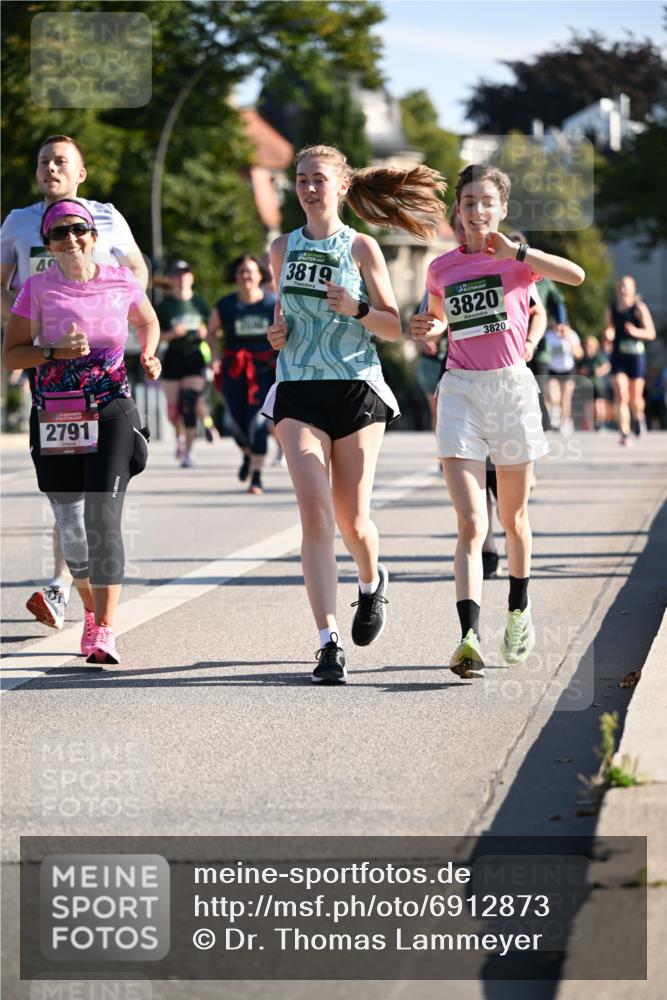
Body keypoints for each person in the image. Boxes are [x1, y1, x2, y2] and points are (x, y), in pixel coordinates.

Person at [264, 144, 446, 684]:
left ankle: (371, 583)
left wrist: (357, 308)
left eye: (318, 178)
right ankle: (327, 643)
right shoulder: (281, 248)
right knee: (315, 515)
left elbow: (394, 327)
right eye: (300, 179)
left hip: (355, 388)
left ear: (342, 186)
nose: (308, 187)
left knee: (353, 520)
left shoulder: (362, 247)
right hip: (297, 389)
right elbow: (283, 315)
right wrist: (278, 333)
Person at [410, 163, 584, 678]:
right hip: (461, 389)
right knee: (471, 522)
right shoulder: (441, 268)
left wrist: (521, 253)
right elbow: (439, 317)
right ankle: (467, 636)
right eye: (469, 202)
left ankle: (518, 610)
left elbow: (576, 276)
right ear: (457, 211)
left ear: (502, 208)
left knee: (514, 521)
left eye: (487, 202)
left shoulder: (518, 264)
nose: (477, 211)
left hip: (511, 387)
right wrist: (429, 324)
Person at [2, 199, 161, 665]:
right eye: (59, 233)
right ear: (48, 244)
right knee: (71, 527)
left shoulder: (121, 280)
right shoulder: (36, 288)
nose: (70, 239)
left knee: (103, 519)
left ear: (93, 236)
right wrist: (51, 352)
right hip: (56, 414)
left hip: (111, 408)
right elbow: (12, 355)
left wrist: (149, 353)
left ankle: (106, 630)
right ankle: (91, 614)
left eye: (78, 230)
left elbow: (147, 320)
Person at [208, 254, 277, 494]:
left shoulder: (272, 303)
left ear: (260, 275)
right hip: (234, 370)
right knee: (236, 424)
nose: (246, 275)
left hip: (264, 371)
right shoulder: (225, 305)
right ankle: (247, 455)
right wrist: (215, 356)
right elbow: (211, 332)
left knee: (258, 423)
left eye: (250, 271)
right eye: (241, 272)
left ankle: (256, 476)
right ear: (235, 276)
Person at [507, 230, 568, 433]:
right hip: (510, 343)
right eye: (509, 247)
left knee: (538, 382)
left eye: (517, 249)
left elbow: (558, 301)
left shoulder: (541, 279)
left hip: (537, 341)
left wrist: (561, 322)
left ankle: (544, 424)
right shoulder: (501, 275)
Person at [156, 260, 213, 468]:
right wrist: (171, 334)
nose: (181, 278)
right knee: (173, 411)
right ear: (172, 279)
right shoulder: (164, 306)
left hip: (194, 356)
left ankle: (188, 451)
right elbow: (153, 335)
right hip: (173, 357)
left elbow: (215, 330)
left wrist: (206, 333)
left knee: (189, 403)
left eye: (185, 274)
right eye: (177, 275)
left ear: (191, 278)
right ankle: (180, 437)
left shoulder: (199, 303)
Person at [604, 275, 657, 445]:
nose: (623, 289)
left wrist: (635, 331)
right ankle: (624, 432)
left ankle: (639, 418)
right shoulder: (611, 308)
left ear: (633, 289)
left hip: (635, 357)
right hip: (618, 356)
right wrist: (608, 335)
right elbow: (610, 329)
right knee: (621, 393)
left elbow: (651, 333)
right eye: (620, 286)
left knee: (635, 399)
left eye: (626, 286)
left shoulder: (638, 308)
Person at [546, 322, 583, 434]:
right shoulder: (548, 336)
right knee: (554, 397)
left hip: (568, 371)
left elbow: (579, 354)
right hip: (553, 370)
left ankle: (564, 423)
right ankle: (554, 418)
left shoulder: (572, 335)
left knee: (566, 399)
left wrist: (568, 339)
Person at [577, 335, 612, 431]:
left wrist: (597, 372)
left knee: (598, 404)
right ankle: (589, 423)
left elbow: (607, 366)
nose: (588, 348)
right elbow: (580, 370)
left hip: (598, 385)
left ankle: (600, 422)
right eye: (587, 345)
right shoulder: (584, 358)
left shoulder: (598, 356)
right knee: (587, 405)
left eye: (590, 345)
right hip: (587, 385)